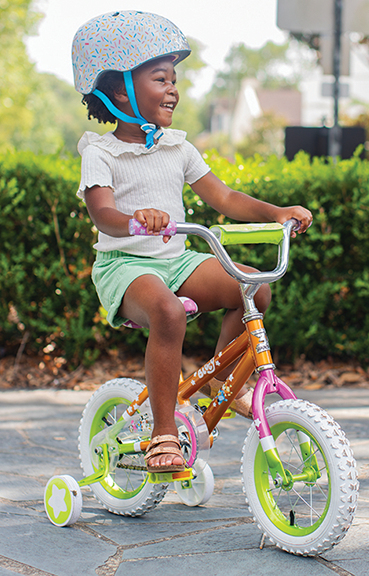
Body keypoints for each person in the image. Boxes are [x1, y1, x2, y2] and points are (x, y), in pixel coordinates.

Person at [71, 11, 312, 473]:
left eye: (174, 80)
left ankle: (221, 382)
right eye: (160, 78)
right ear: (121, 91)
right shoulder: (100, 152)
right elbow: (102, 214)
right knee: (167, 312)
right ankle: (163, 434)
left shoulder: (178, 148)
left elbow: (225, 197)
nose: (173, 89)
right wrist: (135, 220)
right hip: (126, 265)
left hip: (176, 260)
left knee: (253, 288)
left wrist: (276, 212)